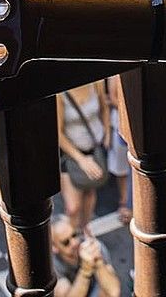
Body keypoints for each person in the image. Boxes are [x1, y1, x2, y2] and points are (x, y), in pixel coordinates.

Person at [55, 81, 111, 232]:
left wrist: (107, 134)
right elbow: (57, 133)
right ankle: (71, 236)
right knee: (73, 207)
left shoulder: (96, 82)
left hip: (94, 148)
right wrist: (81, 159)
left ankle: (84, 229)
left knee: (89, 192)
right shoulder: (60, 94)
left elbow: (104, 108)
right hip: (71, 154)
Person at [46, 215, 121, 297]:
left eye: (74, 235)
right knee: (62, 291)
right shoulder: (52, 265)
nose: (74, 243)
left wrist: (98, 261)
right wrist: (85, 271)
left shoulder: (91, 245)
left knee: (106, 289)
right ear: (54, 247)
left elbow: (114, 292)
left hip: (94, 291)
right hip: (73, 292)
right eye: (66, 242)